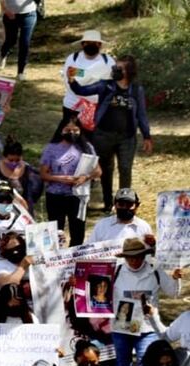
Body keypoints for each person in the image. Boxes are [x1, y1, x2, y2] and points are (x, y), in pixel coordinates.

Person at [69, 55, 153, 211]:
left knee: (125, 169)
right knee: (106, 170)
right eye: (115, 68)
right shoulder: (105, 86)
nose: (115, 71)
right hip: (103, 135)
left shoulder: (136, 90)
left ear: (128, 71)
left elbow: (141, 114)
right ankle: (108, 203)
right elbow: (82, 90)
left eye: (119, 68)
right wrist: (72, 79)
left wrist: (147, 136)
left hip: (127, 137)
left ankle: (124, 202)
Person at [111, 238, 182, 366]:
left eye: (138, 257)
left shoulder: (155, 269)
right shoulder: (116, 270)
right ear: (124, 257)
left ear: (144, 255)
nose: (134, 261)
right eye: (130, 258)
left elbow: (173, 292)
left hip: (148, 328)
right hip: (122, 327)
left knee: (148, 365)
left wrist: (175, 278)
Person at [40, 116, 100, 246]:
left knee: (77, 231)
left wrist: (86, 177)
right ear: (61, 131)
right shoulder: (51, 148)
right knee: (55, 232)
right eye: (68, 129)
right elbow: (43, 174)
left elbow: (98, 171)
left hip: (77, 195)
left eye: (75, 130)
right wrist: (61, 178)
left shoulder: (87, 147)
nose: (72, 133)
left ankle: (74, 260)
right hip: (55, 195)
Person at [87, 187, 153, 244]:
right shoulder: (102, 225)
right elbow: (89, 249)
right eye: (121, 204)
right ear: (115, 205)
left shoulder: (144, 227)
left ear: (136, 206)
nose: (124, 207)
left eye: (129, 205)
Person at [0, 0, 38, 81]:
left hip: (29, 13)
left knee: (24, 43)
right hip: (10, 14)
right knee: (11, 40)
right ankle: (3, 54)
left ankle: (20, 72)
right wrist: (5, 8)